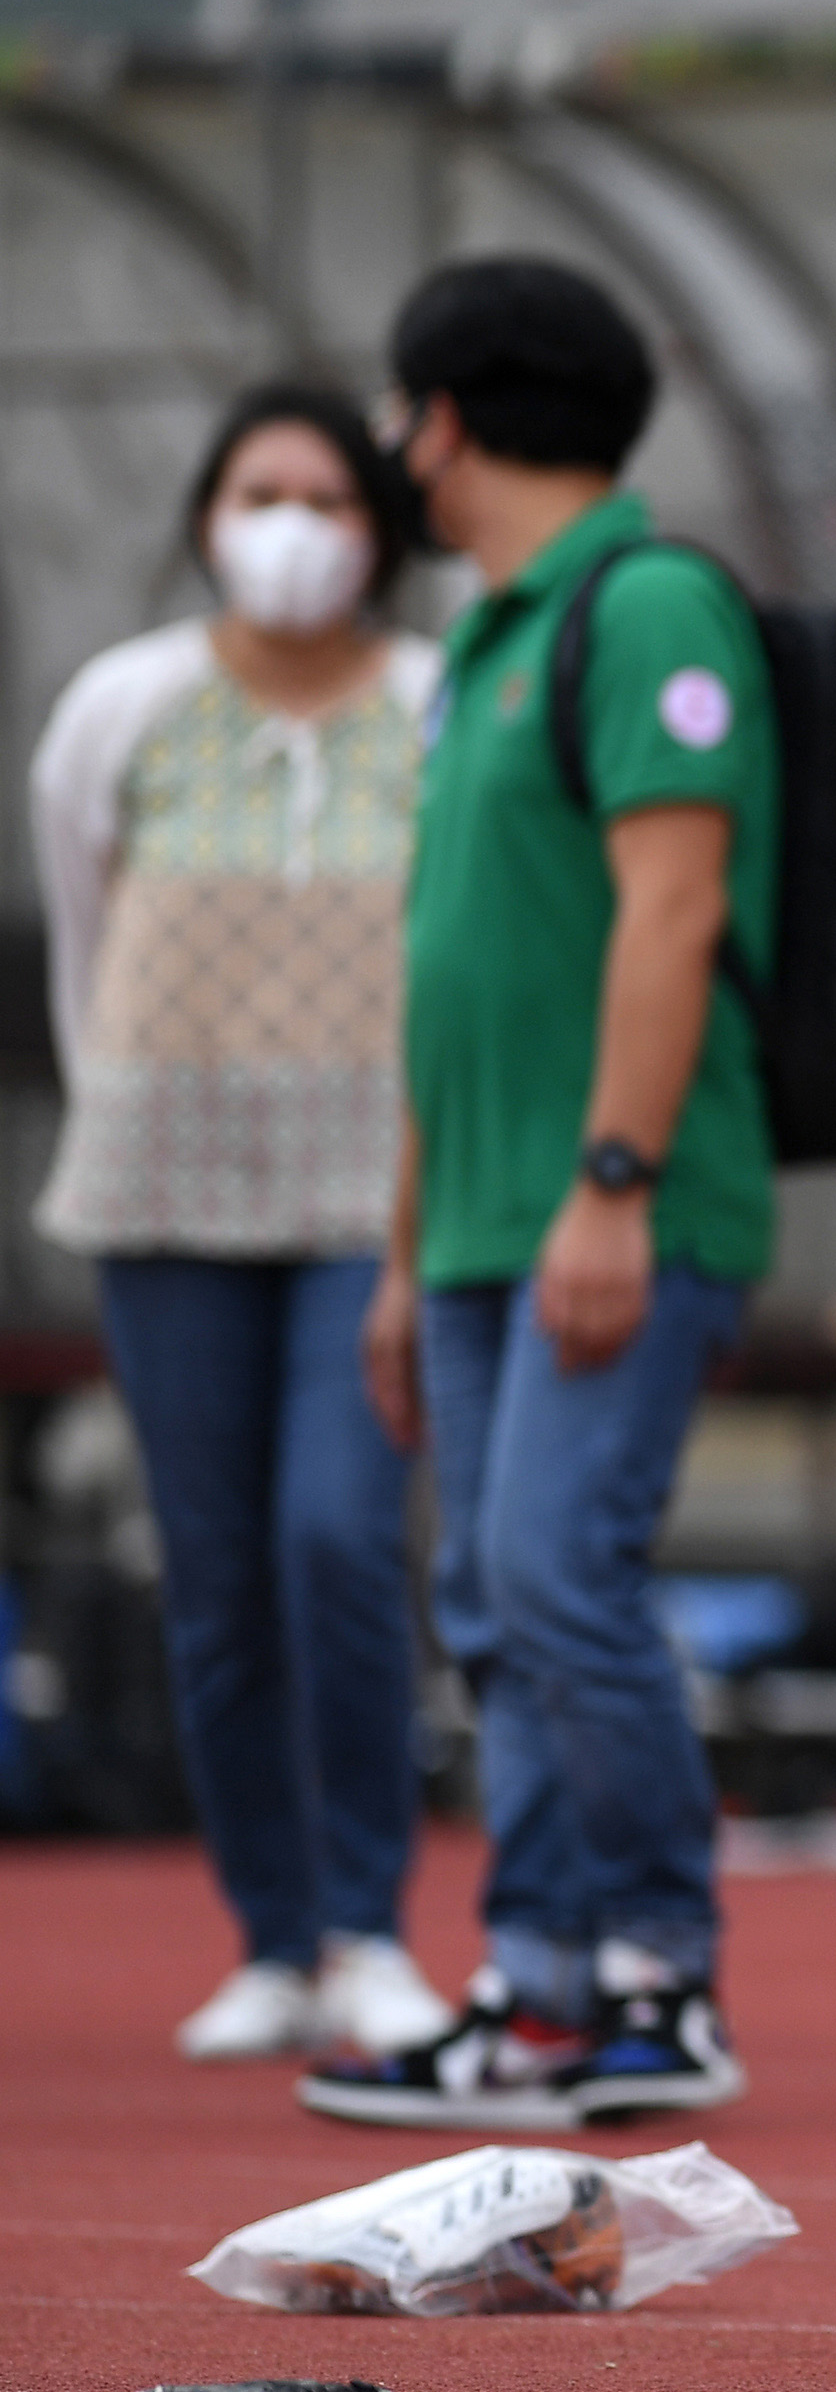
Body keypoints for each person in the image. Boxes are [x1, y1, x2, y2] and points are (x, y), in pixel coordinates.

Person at [299, 257, 774, 2137]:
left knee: (564, 1576)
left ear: (451, 415)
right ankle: (545, 1985)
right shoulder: (494, 637)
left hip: (612, 1207)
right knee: (496, 1596)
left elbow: (673, 909)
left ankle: (662, 1973)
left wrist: (612, 1184)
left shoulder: (645, 603)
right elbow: (455, 977)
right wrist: (411, 1262)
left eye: (410, 411)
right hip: (491, 1218)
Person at [29, 381, 456, 2068]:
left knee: (340, 1544)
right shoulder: (119, 706)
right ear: (207, 512)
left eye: (328, 497)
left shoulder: (434, 705)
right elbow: (82, 927)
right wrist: (127, 1093)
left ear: (378, 530)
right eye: (258, 490)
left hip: (367, 1191)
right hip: (164, 1187)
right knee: (210, 1576)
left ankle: (367, 1925)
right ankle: (272, 1936)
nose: (290, 526)